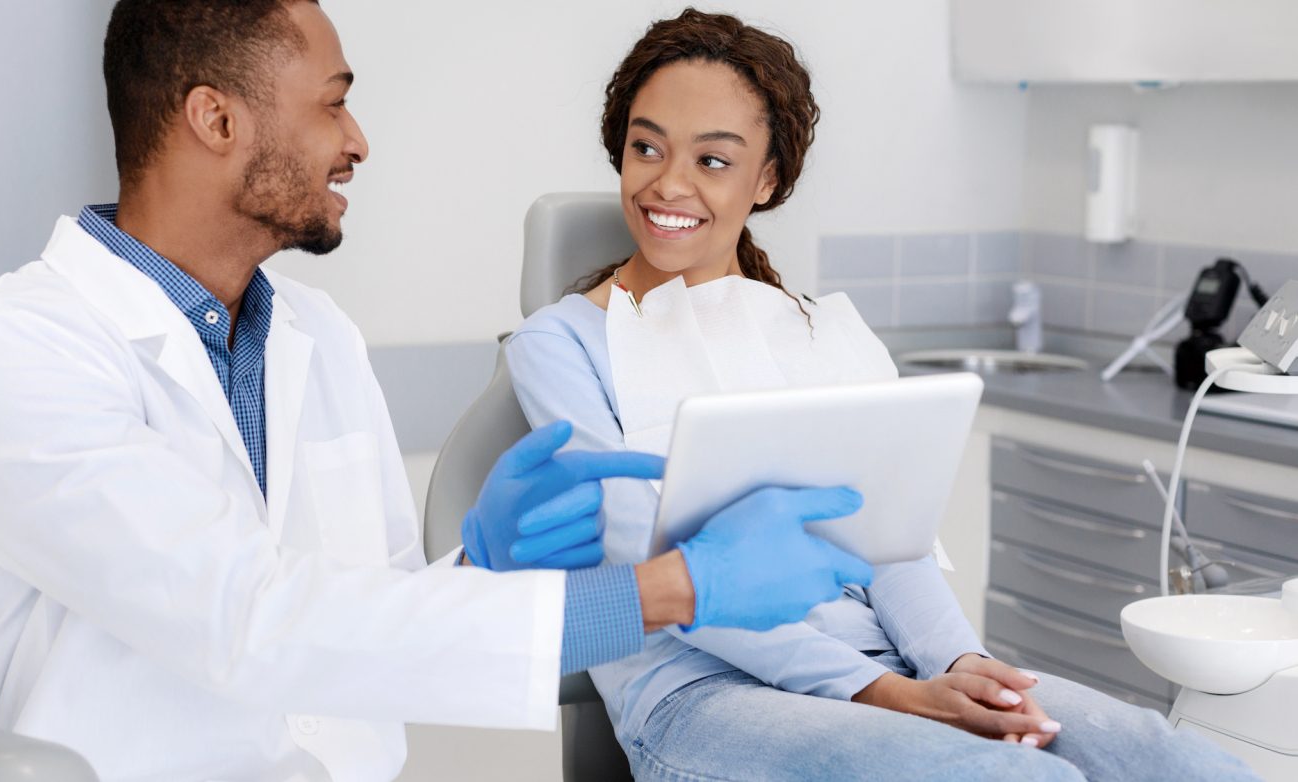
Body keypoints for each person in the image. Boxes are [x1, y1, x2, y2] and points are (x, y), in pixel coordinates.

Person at [0, 2, 875, 780]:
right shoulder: (20, 354)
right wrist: (671, 590)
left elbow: (371, 618)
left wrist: (477, 570)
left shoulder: (318, 337)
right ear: (217, 120)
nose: (358, 141)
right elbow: (250, 619)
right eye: (333, 104)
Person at [503, 9, 1259, 781]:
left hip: (888, 662)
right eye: (647, 147)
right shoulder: (560, 346)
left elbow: (892, 543)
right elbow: (654, 572)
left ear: (767, 179)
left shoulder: (814, 334)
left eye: (714, 160)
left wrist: (960, 664)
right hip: (700, 694)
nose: (668, 183)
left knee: (1174, 762)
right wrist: (890, 695)